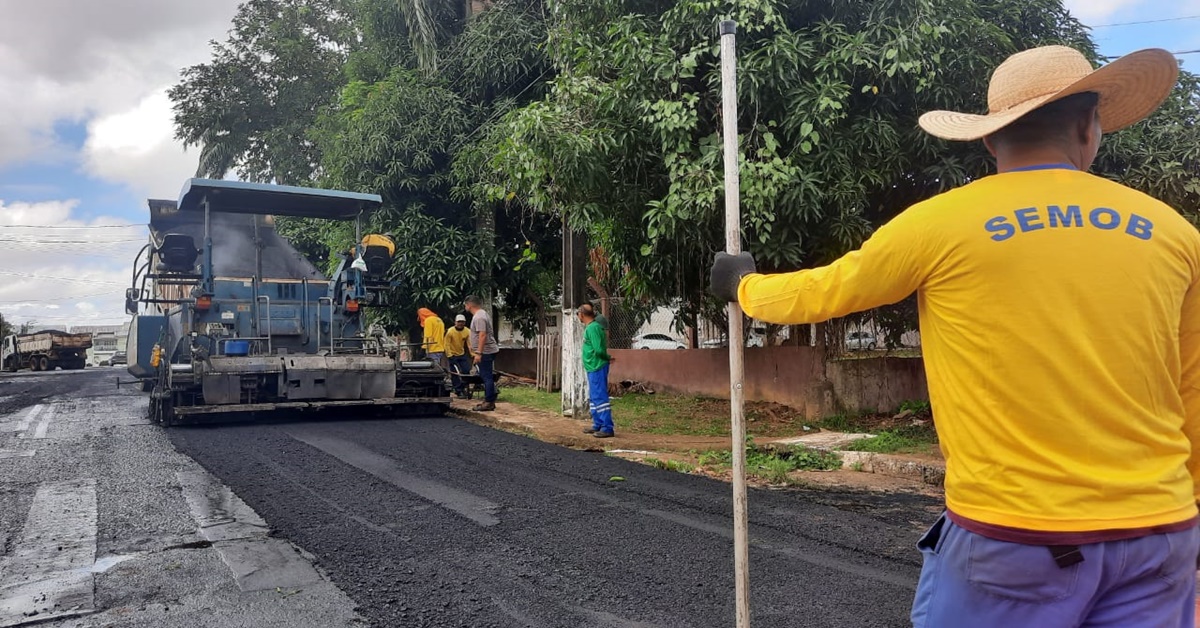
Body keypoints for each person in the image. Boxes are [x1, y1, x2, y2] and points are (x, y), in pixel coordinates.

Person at [711, 45, 1199, 627]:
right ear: (1088, 128)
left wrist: (745, 287)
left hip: (1015, 538)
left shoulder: (940, 223)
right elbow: (1191, 386)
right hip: (1159, 536)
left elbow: (826, 291)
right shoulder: (1174, 233)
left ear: (991, 139)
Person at [578, 303, 615, 438]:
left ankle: (607, 427)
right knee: (594, 397)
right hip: (592, 366)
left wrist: (607, 357)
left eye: (578, 314)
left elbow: (599, 349)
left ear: (581, 314)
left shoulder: (593, 328)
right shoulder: (591, 327)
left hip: (597, 366)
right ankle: (597, 423)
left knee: (600, 396)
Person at [464, 295, 499, 411]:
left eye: (465, 305)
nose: (465, 307)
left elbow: (482, 335)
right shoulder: (482, 314)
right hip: (486, 351)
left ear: (469, 304)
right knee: (486, 376)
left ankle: (489, 402)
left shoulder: (479, 317)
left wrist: (479, 353)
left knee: (487, 377)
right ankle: (489, 400)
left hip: (485, 352)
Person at [444, 313, 473, 398]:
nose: (460, 324)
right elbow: (446, 344)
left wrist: (473, 354)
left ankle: (464, 387)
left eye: (462, 322)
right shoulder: (450, 331)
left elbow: (469, 344)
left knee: (466, 370)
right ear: (455, 322)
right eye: (459, 322)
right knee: (455, 373)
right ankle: (458, 390)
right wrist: (449, 355)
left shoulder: (467, 331)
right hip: (452, 354)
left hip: (461, 354)